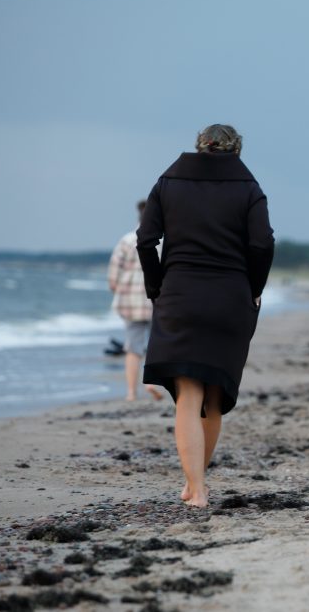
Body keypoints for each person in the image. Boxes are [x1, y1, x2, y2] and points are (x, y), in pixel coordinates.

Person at [136, 124, 275, 508]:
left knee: (187, 395)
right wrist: (255, 288)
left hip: (180, 295)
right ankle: (196, 484)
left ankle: (195, 489)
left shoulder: (168, 181)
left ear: (199, 147)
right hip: (230, 298)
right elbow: (262, 243)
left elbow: (145, 240)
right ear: (236, 151)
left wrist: (155, 287)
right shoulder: (248, 187)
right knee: (213, 397)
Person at [108, 201, 164, 402]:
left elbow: (113, 276)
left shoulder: (126, 240)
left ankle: (131, 392)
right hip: (157, 300)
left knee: (133, 348)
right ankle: (150, 383)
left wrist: (119, 288)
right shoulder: (163, 242)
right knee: (157, 345)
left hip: (130, 303)